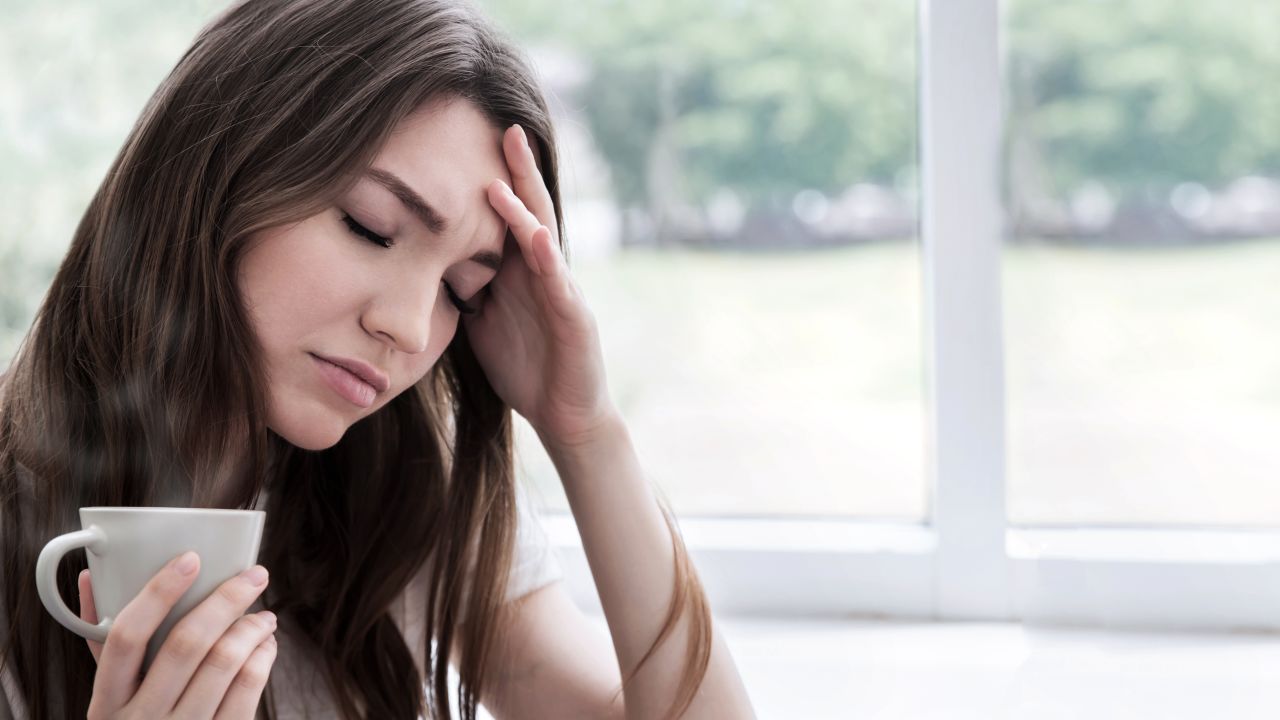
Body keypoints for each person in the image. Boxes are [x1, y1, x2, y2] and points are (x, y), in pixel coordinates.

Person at [0, 0, 756, 717]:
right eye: (372, 226)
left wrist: (586, 431)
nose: (408, 328)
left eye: (461, 292)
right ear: (220, 170)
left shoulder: (400, 490)